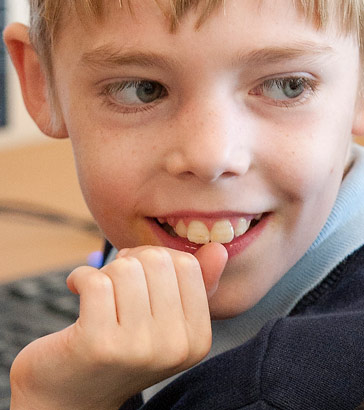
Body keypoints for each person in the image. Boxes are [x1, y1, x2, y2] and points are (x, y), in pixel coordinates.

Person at [3, 0, 364, 408]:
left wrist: (57, 399)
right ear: (40, 81)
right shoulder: (167, 222)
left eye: (287, 85)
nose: (209, 157)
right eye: (142, 90)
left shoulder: (274, 392)